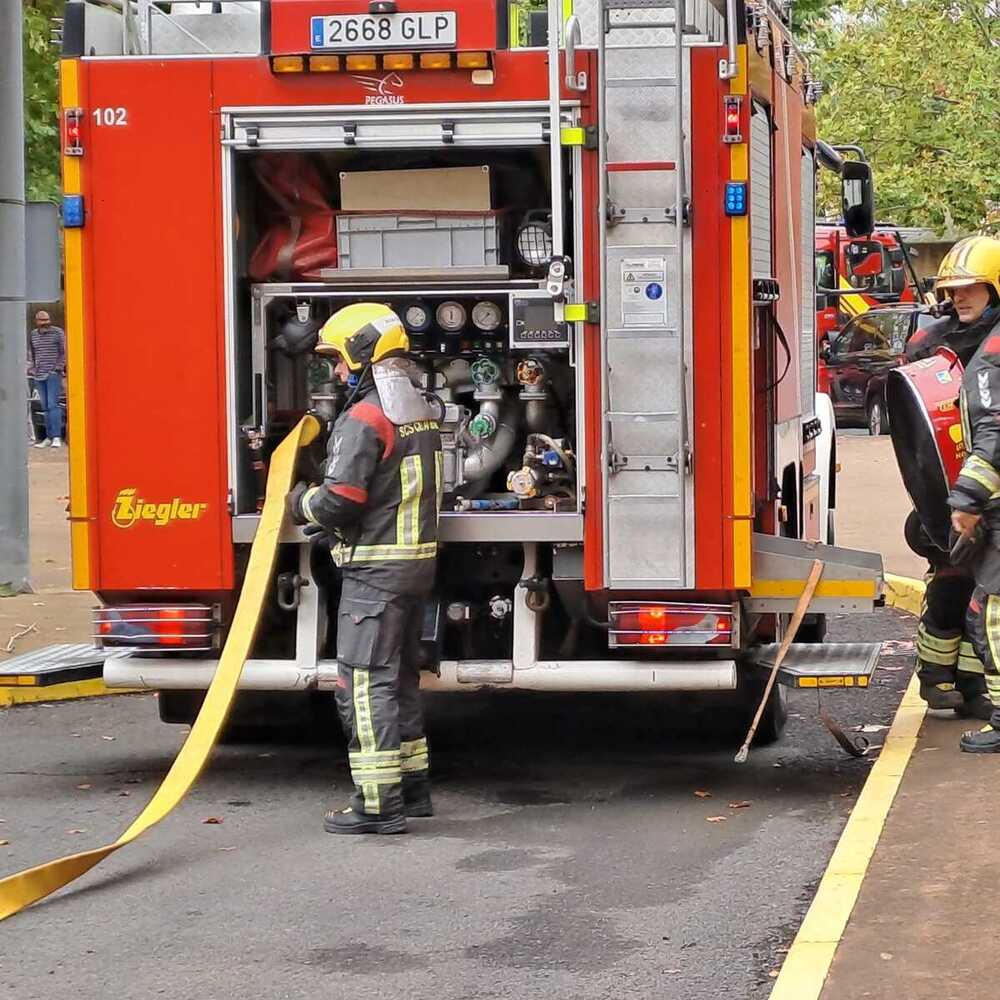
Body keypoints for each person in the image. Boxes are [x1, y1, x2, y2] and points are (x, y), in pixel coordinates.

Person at [286, 303, 443, 831]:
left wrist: (298, 502)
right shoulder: (418, 411)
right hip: (415, 568)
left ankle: (377, 805)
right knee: (399, 680)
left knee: (361, 685)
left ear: (361, 351)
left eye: (338, 359)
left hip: (374, 574)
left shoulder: (364, 419)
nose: (335, 372)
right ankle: (414, 790)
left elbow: (342, 500)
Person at [899, 240, 1000, 721]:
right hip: (946, 490)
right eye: (953, 290)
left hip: (989, 489)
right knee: (951, 579)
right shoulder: (927, 342)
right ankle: (935, 676)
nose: (960, 298)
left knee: (984, 592)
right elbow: (913, 425)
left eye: (971, 289)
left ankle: (973, 682)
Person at [28, 310, 66, 448]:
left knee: (52, 405)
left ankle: (56, 436)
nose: (45, 324)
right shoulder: (33, 334)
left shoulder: (57, 333)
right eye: (42, 321)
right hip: (39, 374)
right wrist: (33, 367)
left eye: (47, 321)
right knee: (44, 407)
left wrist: (57, 368)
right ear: (37, 321)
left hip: (52, 374)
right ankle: (48, 437)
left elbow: (63, 352)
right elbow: (33, 352)